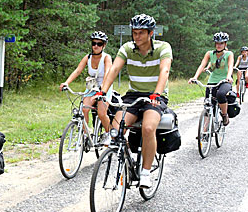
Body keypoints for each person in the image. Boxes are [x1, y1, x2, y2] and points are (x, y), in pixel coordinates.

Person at [98, 14, 173, 188]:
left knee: (148, 128)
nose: (136, 36)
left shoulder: (163, 48)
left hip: (155, 96)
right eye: (134, 32)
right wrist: (102, 92)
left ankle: (145, 172)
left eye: (141, 33)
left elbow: (165, 71)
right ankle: (129, 156)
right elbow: (114, 69)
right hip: (133, 95)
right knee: (115, 129)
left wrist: (156, 94)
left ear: (150, 33)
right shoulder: (127, 48)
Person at [59, 31, 113, 144]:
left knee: (102, 112)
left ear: (104, 45)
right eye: (94, 43)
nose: (96, 46)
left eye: (99, 43)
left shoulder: (106, 58)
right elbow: (78, 70)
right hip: (92, 86)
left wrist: (103, 89)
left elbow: (108, 72)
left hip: (104, 86)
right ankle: (85, 134)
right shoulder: (88, 57)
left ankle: (108, 134)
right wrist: (66, 83)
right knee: (84, 109)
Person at [189, 32, 234, 126]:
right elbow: (202, 65)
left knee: (221, 94)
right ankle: (204, 131)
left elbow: (230, 66)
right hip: (212, 81)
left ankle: (225, 115)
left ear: (225, 44)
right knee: (208, 104)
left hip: (224, 80)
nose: (219, 45)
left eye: (221, 43)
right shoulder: (209, 54)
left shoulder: (229, 54)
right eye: (217, 43)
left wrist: (228, 76)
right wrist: (195, 77)